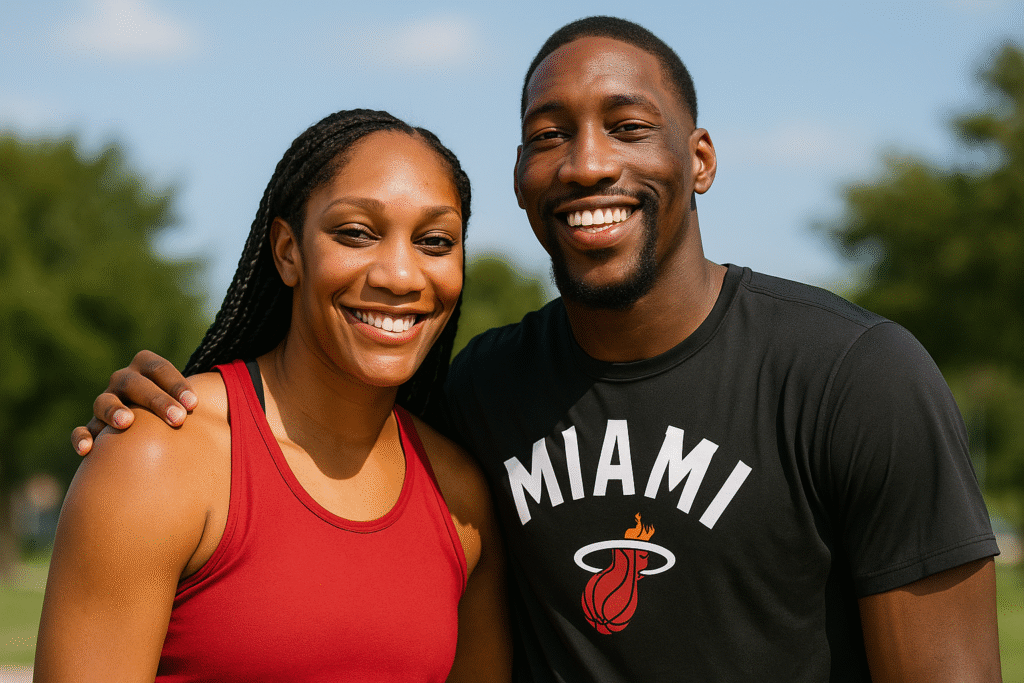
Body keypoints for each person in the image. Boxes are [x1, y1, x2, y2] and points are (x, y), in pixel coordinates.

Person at [70, 17, 1002, 683]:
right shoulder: (482, 393)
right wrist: (143, 420)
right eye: (550, 137)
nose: (589, 163)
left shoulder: (857, 377)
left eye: (629, 127)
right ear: (522, 180)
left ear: (702, 159)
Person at [37, 109, 510, 682]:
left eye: (435, 241)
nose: (401, 276)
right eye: (357, 233)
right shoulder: (162, 457)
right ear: (288, 251)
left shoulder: (460, 498)